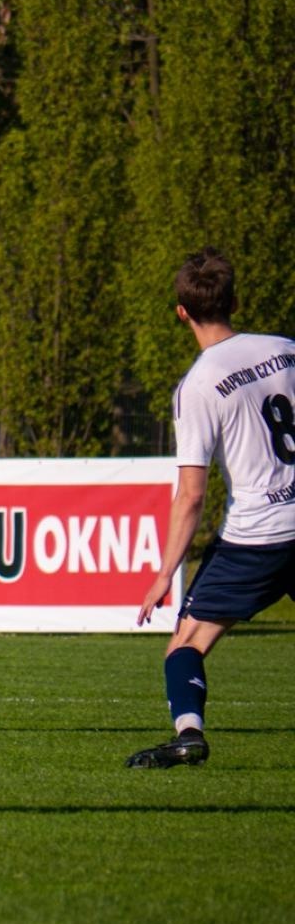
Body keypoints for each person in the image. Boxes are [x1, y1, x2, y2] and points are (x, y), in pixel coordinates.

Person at [130, 247, 295, 768]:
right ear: (236, 301)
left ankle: (188, 736)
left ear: (181, 312)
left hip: (258, 536)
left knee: (186, 642)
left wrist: (164, 573)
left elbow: (191, 495)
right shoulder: (287, 349)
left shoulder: (199, 385)